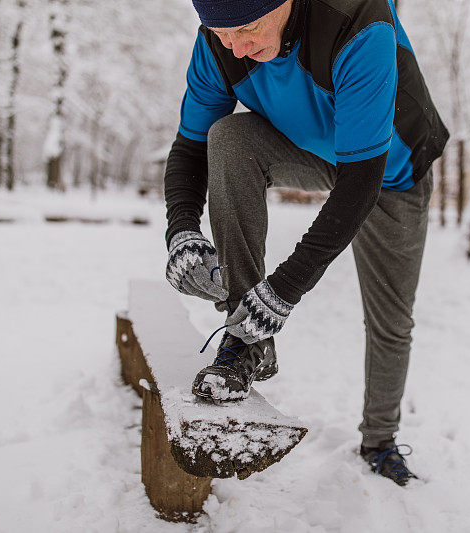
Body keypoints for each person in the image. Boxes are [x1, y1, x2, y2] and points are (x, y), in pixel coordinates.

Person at [164, 0, 448, 485]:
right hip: (316, 149)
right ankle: (246, 344)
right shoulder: (219, 38)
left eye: (248, 29)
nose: (236, 47)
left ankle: (380, 440)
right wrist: (182, 230)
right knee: (228, 138)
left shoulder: (359, 23)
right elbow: (190, 146)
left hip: (392, 172)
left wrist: (283, 290)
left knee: (390, 321)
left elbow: (360, 185)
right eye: (223, 34)